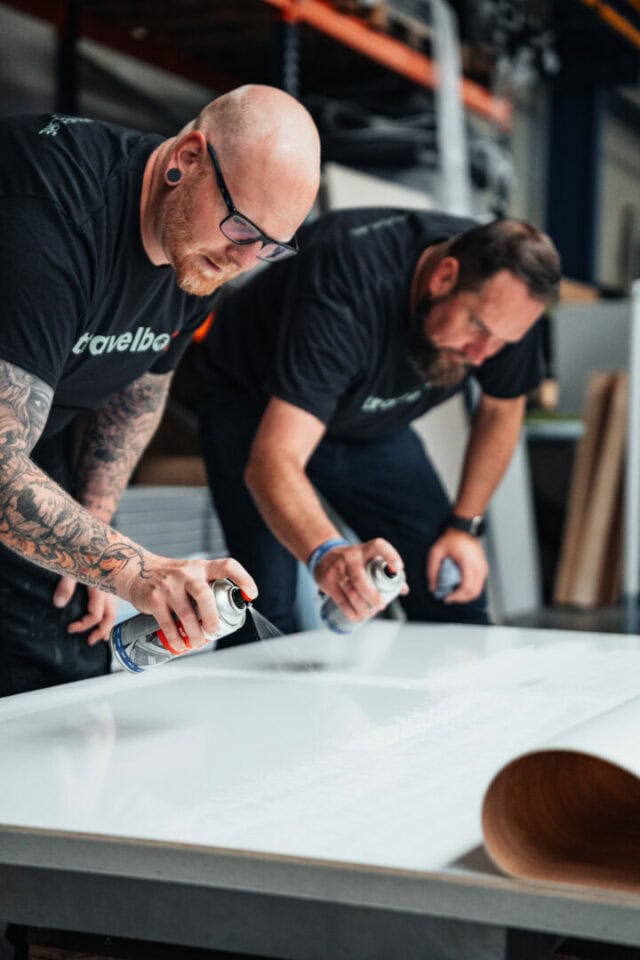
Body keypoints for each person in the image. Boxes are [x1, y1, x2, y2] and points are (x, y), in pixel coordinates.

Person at [0, 85, 321, 696]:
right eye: (242, 227)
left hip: (32, 424)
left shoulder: (202, 242)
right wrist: (138, 569)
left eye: (270, 246)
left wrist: (97, 522)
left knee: (67, 647)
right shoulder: (47, 217)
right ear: (190, 158)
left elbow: (143, 384)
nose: (243, 260)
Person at [197, 207, 561, 634]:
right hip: (252, 402)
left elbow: (502, 409)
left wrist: (465, 526)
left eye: (501, 342)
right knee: (263, 602)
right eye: (477, 329)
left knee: (450, 584)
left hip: (368, 421)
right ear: (443, 277)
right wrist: (328, 554)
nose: (482, 356)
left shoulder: (506, 306)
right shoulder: (348, 278)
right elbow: (273, 460)